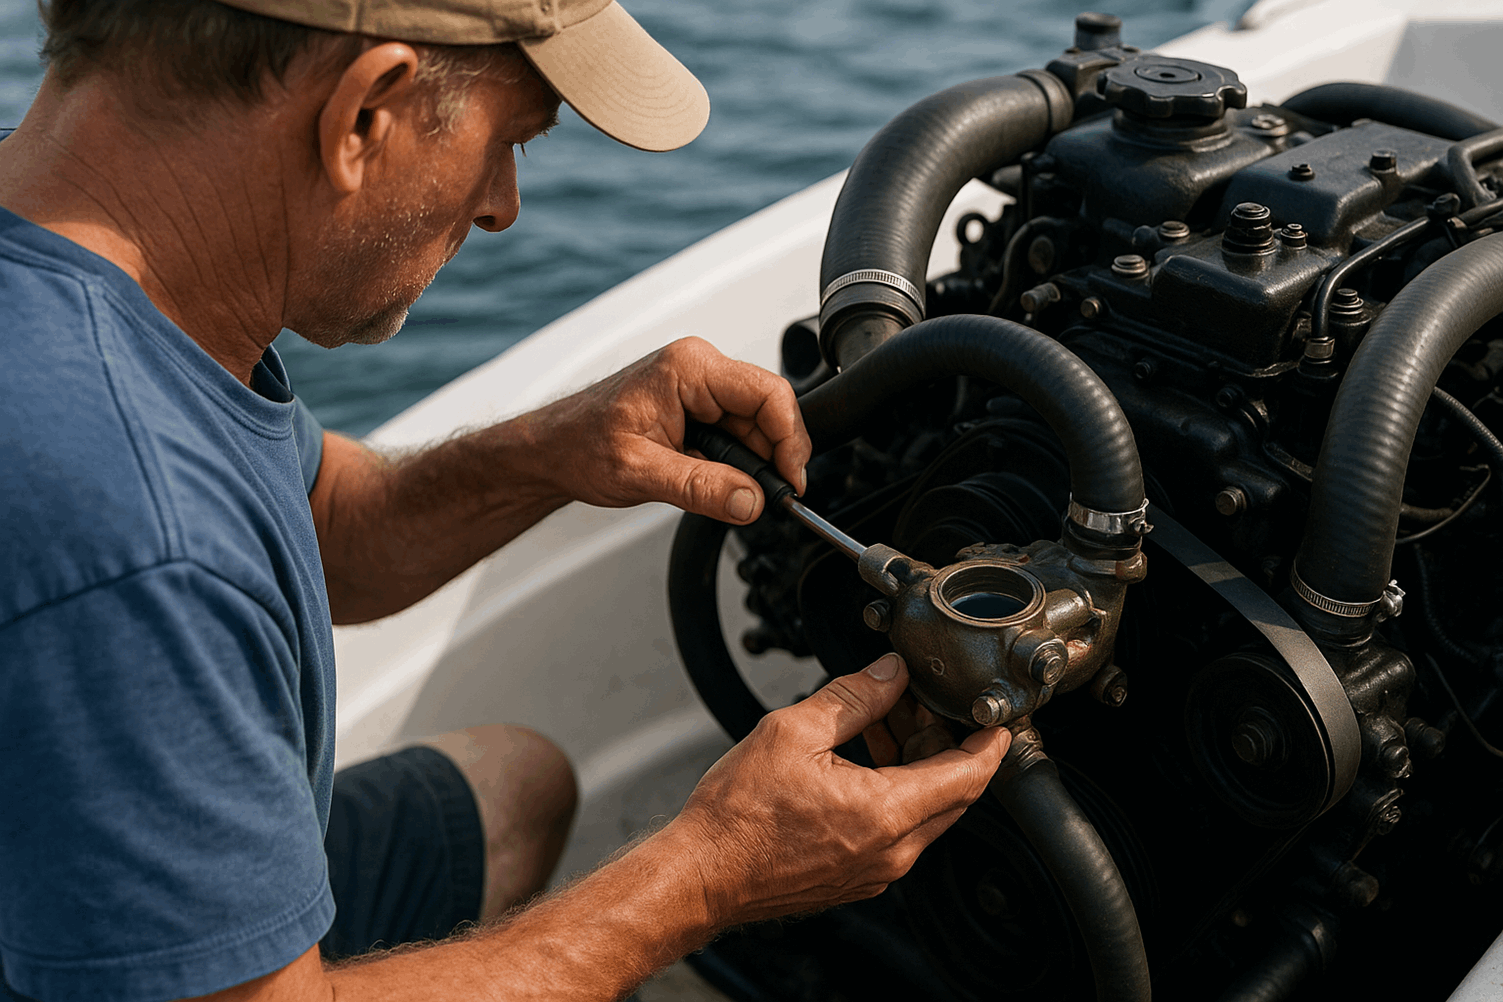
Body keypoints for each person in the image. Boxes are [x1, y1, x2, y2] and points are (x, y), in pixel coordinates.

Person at [0, 1, 1011, 999]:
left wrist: (551, 452)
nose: (502, 206)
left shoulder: (126, 274)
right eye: (508, 140)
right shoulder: (128, 521)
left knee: (514, 787)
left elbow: (332, 531)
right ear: (366, 114)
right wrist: (709, 876)